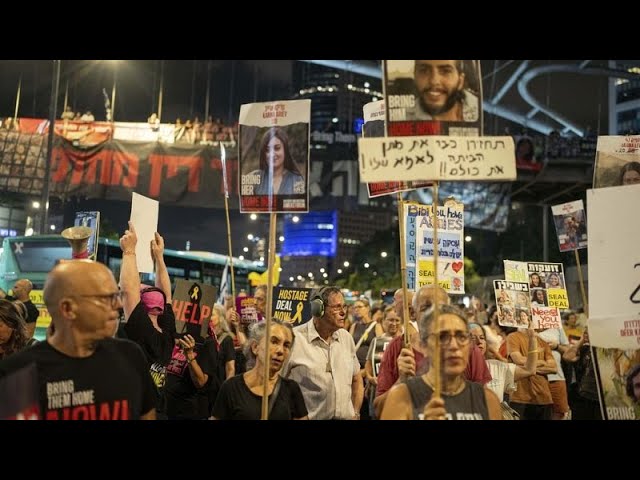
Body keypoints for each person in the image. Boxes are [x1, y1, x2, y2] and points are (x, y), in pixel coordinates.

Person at [0, 261, 156, 420]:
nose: (118, 304)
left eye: (117, 295)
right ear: (68, 309)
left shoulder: (131, 356)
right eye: (106, 297)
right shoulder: (15, 374)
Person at [380, 305, 502, 420]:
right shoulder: (401, 397)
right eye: (442, 337)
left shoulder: (488, 400)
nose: (454, 346)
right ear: (424, 346)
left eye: (461, 337)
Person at [119, 222, 176, 415]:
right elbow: (167, 293)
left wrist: (129, 251)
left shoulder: (141, 329)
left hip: (136, 410)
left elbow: (128, 291)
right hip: (160, 408)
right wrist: (159, 257)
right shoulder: (167, 331)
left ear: (142, 306)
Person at [282, 286, 363, 420]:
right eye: (337, 307)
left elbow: (357, 379)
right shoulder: (294, 339)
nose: (343, 312)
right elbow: (275, 383)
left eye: (344, 306)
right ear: (318, 309)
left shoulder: (346, 338)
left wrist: (356, 412)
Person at [212, 320, 308, 420]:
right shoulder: (231, 388)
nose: (280, 351)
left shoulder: (291, 389)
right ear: (255, 347)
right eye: (274, 342)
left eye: (286, 345)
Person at [408, 60, 479, 122]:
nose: (434, 81)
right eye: (424, 70)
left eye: (445, 71)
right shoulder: (403, 117)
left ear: (460, 81)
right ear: (414, 77)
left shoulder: (482, 111)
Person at [249, 127, 305, 196]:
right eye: (268, 150)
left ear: (285, 150)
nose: (272, 154)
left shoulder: (297, 180)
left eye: (277, 148)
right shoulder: (254, 177)